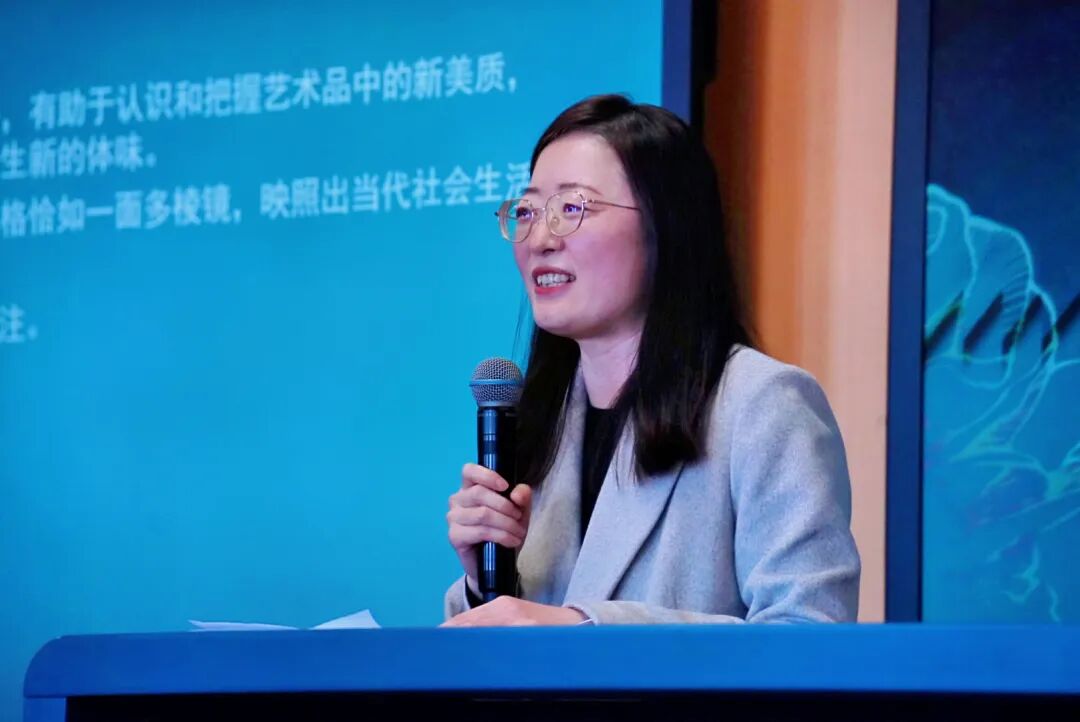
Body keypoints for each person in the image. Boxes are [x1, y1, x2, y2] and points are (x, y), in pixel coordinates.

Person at [442, 94, 860, 626]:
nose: (540, 238)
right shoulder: (541, 426)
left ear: (665, 227)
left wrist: (586, 630)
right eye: (527, 211)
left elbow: (809, 635)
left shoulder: (762, 405)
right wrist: (486, 583)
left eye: (572, 208)